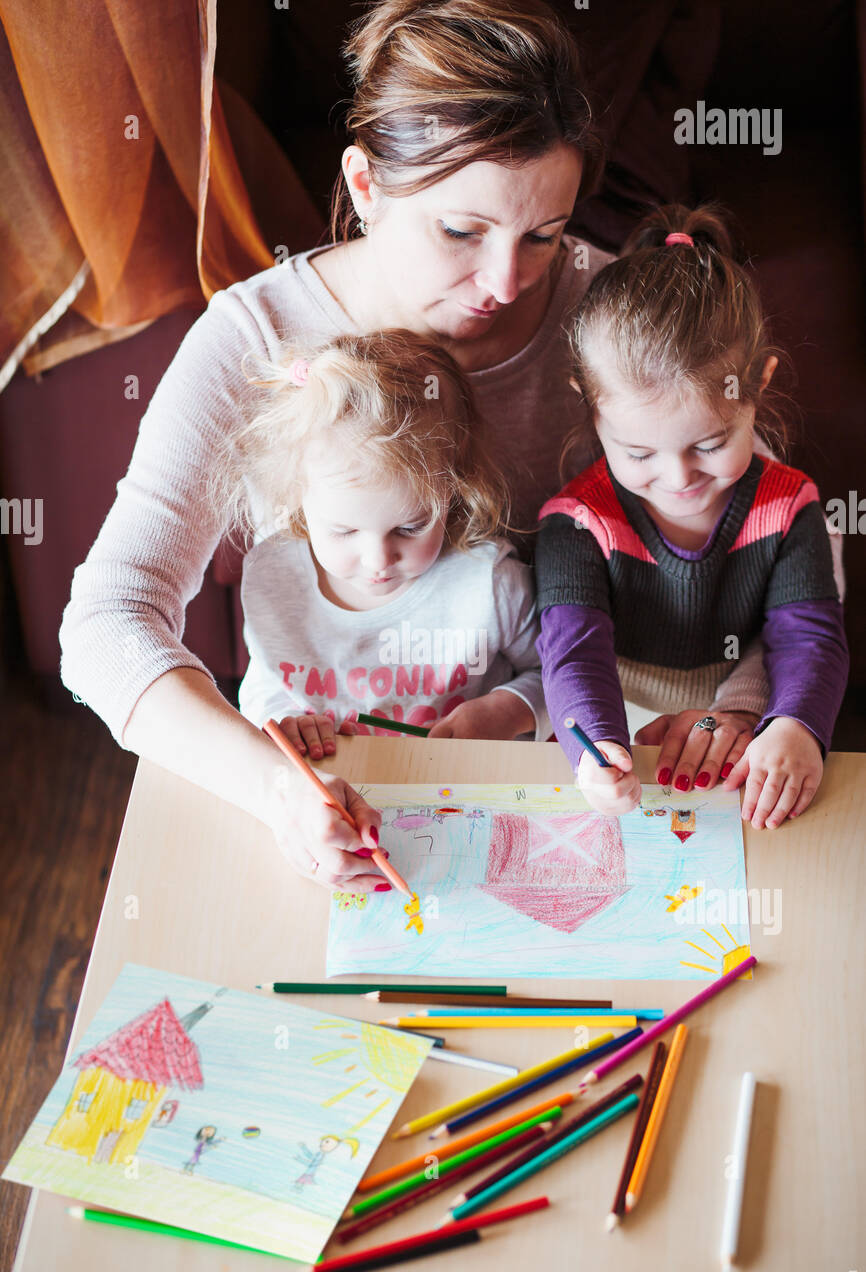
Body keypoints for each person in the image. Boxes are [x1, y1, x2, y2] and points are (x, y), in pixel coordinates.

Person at [58, 0, 766, 894]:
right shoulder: (256, 336)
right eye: (461, 232)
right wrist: (280, 793)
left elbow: (764, 531)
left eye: (542, 234)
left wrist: (741, 701)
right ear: (364, 187)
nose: (506, 283)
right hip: (338, 771)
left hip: (576, 755)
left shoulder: (606, 317)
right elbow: (105, 621)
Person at [535, 204, 849, 830]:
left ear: (759, 385)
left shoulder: (789, 506)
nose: (680, 479)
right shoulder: (575, 521)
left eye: (709, 445)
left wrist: (795, 726)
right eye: (639, 452)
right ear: (590, 408)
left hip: (741, 720)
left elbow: (807, 635)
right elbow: (574, 652)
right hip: (607, 724)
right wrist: (597, 749)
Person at [214, 329, 549, 827]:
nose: (379, 560)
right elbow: (264, 682)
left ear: (452, 488)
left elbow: (558, 676)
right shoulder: (275, 576)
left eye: (410, 527)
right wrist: (282, 720)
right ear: (297, 496)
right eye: (344, 530)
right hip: (335, 804)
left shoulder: (488, 585)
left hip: (471, 804)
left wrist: (508, 710)